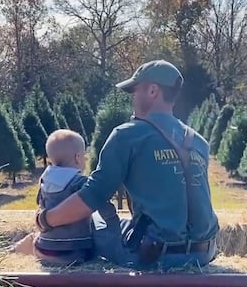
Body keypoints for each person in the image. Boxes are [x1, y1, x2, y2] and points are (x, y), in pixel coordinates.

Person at [35, 60, 220, 270]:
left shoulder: (128, 135)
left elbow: (91, 197)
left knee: (91, 224)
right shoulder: (198, 141)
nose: (133, 98)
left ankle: (30, 247)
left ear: (153, 90)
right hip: (204, 254)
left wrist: (45, 220)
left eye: (135, 91)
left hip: (157, 258)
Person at [11, 129, 116, 265]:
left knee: (35, 237)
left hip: (43, 249)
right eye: (84, 156)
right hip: (72, 252)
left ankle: (12, 251)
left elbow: (40, 203)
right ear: (78, 157)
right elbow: (99, 202)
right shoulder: (80, 182)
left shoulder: (44, 179)